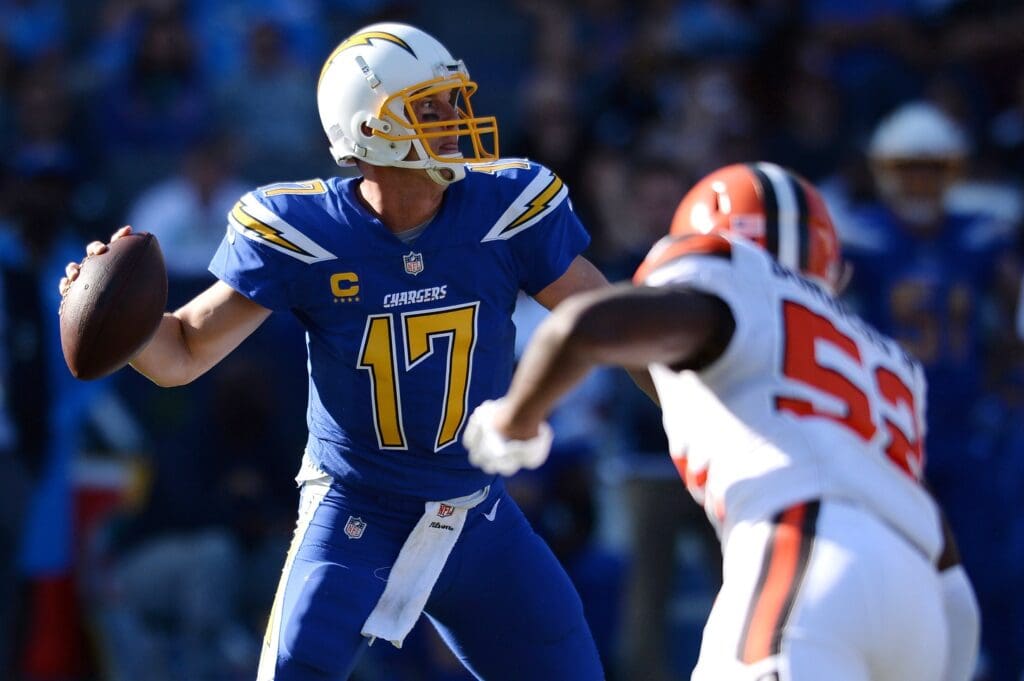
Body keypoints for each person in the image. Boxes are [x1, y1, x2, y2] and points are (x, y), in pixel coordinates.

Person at [60, 22, 620, 681]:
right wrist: (109, 313)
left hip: (477, 513)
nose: (452, 121)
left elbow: (610, 322)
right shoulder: (308, 232)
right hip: (356, 512)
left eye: (451, 102)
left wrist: (696, 393)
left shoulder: (502, 209)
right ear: (367, 131)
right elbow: (180, 353)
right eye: (427, 108)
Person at [464, 162, 981, 681]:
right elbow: (952, 578)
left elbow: (582, 325)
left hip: (804, 550)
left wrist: (514, 422)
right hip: (919, 599)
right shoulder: (889, 359)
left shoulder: (731, 272)